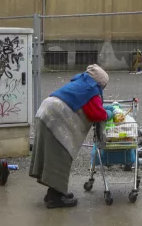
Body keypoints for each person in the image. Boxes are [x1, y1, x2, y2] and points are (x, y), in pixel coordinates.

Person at [29, 65, 111, 208]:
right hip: (55, 118)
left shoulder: (80, 83)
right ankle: (56, 198)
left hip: (45, 111)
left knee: (51, 155)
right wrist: (110, 113)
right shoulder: (91, 91)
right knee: (60, 156)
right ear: (100, 83)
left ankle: (55, 192)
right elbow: (97, 114)